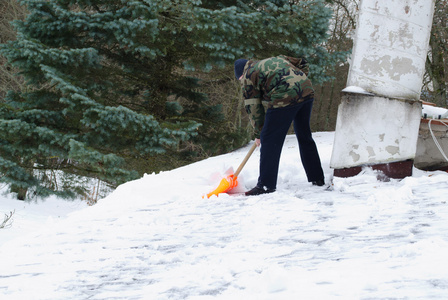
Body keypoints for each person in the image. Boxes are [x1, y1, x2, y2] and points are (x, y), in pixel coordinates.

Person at [234, 55, 325, 196]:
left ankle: (265, 185)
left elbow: (253, 108)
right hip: (306, 90)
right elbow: (302, 61)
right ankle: (317, 178)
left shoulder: (248, 76)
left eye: (239, 79)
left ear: (241, 74)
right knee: (304, 135)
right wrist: (297, 81)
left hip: (285, 96)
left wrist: (259, 134)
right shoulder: (273, 60)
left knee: (269, 140)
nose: (241, 82)